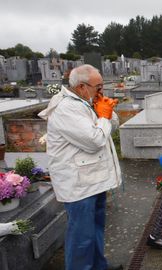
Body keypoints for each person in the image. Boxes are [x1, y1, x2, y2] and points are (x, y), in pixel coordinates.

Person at [38, 64, 123, 270]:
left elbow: (114, 125)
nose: (101, 91)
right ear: (82, 86)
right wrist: (103, 117)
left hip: (94, 179)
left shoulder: (85, 101)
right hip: (79, 185)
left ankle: (98, 266)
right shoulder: (66, 109)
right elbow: (94, 140)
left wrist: (106, 111)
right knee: (81, 238)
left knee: (95, 231)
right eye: (98, 87)